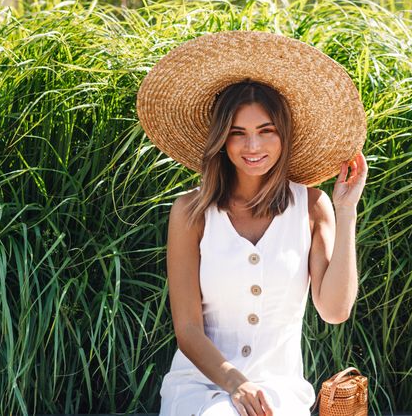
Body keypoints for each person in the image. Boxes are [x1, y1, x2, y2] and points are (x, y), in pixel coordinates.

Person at [136, 31, 368, 416]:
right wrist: (236, 385)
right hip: (201, 388)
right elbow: (189, 331)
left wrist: (347, 212)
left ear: (284, 135)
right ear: (222, 141)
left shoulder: (312, 205)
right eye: (238, 133)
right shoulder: (190, 212)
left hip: (279, 390)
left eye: (266, 131)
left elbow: (334, 310)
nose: (253, 147)